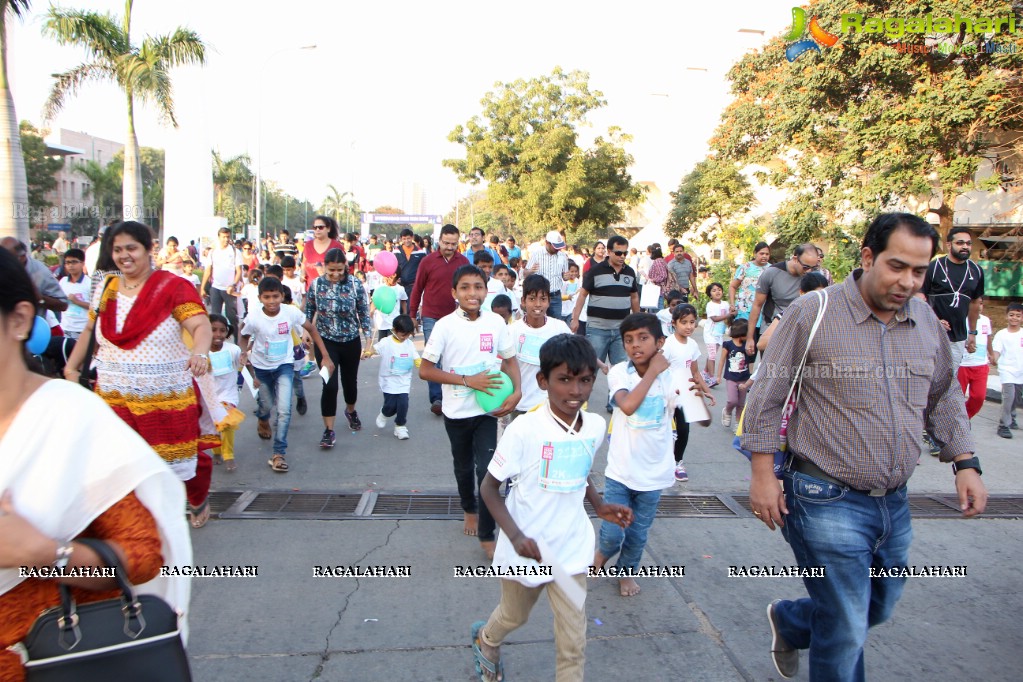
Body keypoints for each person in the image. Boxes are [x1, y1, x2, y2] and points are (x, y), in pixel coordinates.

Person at [743, 212, 986, 681]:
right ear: (868, 257)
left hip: (894, 501)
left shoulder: (926, 322)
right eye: (897, 266)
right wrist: (761, 475)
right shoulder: (813, 314)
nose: (908, 282)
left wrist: (965, 461)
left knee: (876, 607)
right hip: (822, 498)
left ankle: (792, 621)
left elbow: (944, 395)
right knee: (848, 625)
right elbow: (767, 395)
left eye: (919, 271)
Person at [0, 248, 192, 681]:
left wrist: (43, 555)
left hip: (46, 661)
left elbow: (143, 558)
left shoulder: (69, 421)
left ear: (18, 320)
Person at [472, 334, 632, 682]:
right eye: (564, 379)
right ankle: (486, 639)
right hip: (526, 550)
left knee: (574, 639)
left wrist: (599, 504)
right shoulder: (523, 430)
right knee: (514, 616)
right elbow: (488, 487)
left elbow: (581, 469)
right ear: (543, 381)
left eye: (585, 380)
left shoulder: (594, 426)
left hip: (571, 551)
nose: (576, 390)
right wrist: (515, 536)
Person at [62, 220, 218, 528]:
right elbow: (90, 329)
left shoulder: (173, 286)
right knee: (121, 464)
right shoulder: (107, 286)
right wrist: (70, 367)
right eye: (117, 249)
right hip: (114, 394)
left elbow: (199, 325)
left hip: (164, 396)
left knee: (173, 464)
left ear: (149, 250)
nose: (124, 256)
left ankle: (191, 504)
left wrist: (199, 352)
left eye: (131, 248)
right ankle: (138, 527)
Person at [419, 265, 521, 558]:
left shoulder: (496, 323)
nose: (472, 293)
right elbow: (426, 371)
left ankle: (488, 535)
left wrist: (517, 392)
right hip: (456, 412)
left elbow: (510, 360)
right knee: (463, 467)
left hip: (489, 411)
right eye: (465, 287)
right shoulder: (445, 326)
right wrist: (467, 381)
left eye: (478, 286)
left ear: (486, 291)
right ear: (454, 293)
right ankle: (468, 508)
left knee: (488, 470)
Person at [593, 313, 679, 597]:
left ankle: (626, 572)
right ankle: (602, 554)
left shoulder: (673, 375)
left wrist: (699, 397)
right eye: (628, 339)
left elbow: (697, 416)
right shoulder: (620, 372)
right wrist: (653, 372)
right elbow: (627, 406)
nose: (635, 345)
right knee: (612, 532)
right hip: (621, 470)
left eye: (643, 338)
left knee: (638, 533)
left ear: (660, 343)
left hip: (654, 475)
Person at [242, 276, 332, 472]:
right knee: (266, 404)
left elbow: (312, 329)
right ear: (260, 298)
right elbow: (244, 334)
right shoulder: (254, 316)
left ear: (282, 296)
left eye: (275, 296)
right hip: (262, 367)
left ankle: (278, 453)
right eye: (267, 297)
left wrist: (324, 356)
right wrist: (243, 353)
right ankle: (262, 417)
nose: (272, 301)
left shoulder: (291, 312)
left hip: (284, 365)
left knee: (284, 409)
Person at [303, 248, 371, 447]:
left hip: (350, 341)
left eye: (339, 270)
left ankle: (350, 411)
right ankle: (329, 430)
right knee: (329, 385)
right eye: (331, 270)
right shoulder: (316, 285)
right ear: (324, 267)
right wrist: (306, 332)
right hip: (325, 342)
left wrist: (368, 340)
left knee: (350, 383)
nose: (335, 275)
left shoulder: (354, 284)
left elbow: (363, 313)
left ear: (346, 268)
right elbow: (308, 311)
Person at [570, 235, 640, 410]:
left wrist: (638, 322)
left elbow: (634, 298)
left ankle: (614, 402)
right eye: (618, 252)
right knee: (589, 367)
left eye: (625, 253)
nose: (622, 256)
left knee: (620, 369)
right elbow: (583, 295)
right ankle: (580, 401)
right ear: (609, 252)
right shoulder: (595, 271)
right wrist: (575, 318)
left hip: (621, 331)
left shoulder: (630, 273)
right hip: (597, 329)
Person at [410, 224, 471, 415]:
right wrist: (413, 315)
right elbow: (417, 288)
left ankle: (452, 393)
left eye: (453, 243)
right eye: (446, 243)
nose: (450, 247)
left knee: (453, 355)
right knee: (433, 357)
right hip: (431, 316)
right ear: (440, 241)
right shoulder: (427, 262)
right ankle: (437, 398)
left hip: (457, 317)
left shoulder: (463, 262)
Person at [662, 304, 715, 483]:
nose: (689, 326)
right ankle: (663, 461)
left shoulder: (692, 345)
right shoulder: (668, 344)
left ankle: (678, 462)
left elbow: (695, 372)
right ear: (674, 323)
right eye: (684, 322)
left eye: (692, 322)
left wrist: (706, 392)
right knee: (667, 430)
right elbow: (658, 370)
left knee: (684, 430)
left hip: (686, 393)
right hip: (668, 395)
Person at [922, 227, 984, 369]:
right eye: (960, 243)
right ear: (949, 245)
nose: (965, 247)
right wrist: (934, 320)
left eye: (968, 243)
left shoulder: (976, 271)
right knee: (928, 377)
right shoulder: (934, 267)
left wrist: (972, 333)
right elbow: (919, 298)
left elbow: (975, 303)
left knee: (949, 379)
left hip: (958, 337)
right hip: (932, 333)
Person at [509, 275, 571, 414]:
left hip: (550, 406)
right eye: (532, 299)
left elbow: (577, 353)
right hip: (520, 405)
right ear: (523, 301)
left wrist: (601, 365)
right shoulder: (512, 331)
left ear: (549, 301)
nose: (538, 304)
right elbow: (504, 366)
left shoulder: (559, 328)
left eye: (543, 299)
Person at [745, 243, 820, 357]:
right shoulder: (772, 273)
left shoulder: (814, 276)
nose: (809, 271)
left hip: (799, 332)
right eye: (805, 267)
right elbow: (757, 305)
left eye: (813, 267)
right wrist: (750, 337)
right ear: (795, 259)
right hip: (772, 329)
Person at [366, 314, 420, 440]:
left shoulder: (409, 344)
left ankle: (400, 426)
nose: (405, 338)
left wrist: (420, 364)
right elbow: (375, 349)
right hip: (388, 381)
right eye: (403, 335)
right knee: (390, 406)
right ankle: (384, 413)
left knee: (403, 404)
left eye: (408, 335)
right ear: (394, 330)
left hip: (403, 381)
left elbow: (416, 357)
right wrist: (368, 352)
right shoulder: (386, 342)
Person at [208, 314, 246, 472]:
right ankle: (216, 451)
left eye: (222, 331)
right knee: (214, 425)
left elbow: (244, 364)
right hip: (208, 396)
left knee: (227, 424)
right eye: (213, 330)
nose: (218, 334)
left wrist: (252, 376)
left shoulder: (233, 350)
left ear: (227, 333)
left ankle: (228, 454)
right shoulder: (199, 352)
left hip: (228, 395)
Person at [0, 238, 68, 315]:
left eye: (8, 260)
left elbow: (63, 305)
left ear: (22, 257)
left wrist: (38, 298)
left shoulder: (41, 272)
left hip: (31, 324)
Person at [200, 227, 243, 343]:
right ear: (219, 237)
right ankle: (213, 341)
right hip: (215, 288)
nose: (226, 239)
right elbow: (208, 270)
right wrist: (203, 287)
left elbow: (239, 271)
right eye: (223, 237)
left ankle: (236, 341)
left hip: (229, 289)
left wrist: (233, 284)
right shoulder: (213, 252)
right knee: (214, 316)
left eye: (228, 237)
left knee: (232, 316)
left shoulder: (235, 252)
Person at [716, 318, 755, 431]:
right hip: (731, 377)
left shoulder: (747, 345)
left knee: (741, 403)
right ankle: (727, 411)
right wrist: (718, 376)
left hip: (744, 378)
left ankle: (738, 424)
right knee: (733, 400)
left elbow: (751, 358)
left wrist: (750, 351)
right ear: (742, 333)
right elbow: (722, 360)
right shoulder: (727, 345)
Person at [990, 302, 1023, 439]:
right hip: (1007, 371)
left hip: (1020, 371)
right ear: (1006, 316)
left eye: (1018, 315)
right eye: (1011, 315)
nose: (1014, 318)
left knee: (1017, 398)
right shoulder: (1001, 334)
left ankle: (1012, 416)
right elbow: (996, 351)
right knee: (1008, 398)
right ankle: (1003, 426)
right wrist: (993, 359)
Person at [957, 299, 992, 420]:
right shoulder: (960, 319)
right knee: (956, 397)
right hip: (962, 365)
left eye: (981, 303)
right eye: (975, 303)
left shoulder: (986, 320)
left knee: (978, 397)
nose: (979, 306)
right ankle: (955, 422)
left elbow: (988, 338)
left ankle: (964, 419)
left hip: (980, 365)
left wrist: (991, 353)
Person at [525, 231, 571, 319]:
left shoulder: (563, 256)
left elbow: (564, 276)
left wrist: (566, 277)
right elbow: (525, 273)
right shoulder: (536, 254)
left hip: (555, 296)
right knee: (537, 320)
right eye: (555, 247)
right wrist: (530, 271)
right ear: (547, 243)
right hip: (539, 295)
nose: (557, 249)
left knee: (556, 323)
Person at [729, 241, 772, 321]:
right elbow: (733, 286)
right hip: (744, 309)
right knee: (743, 332)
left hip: (762, 310)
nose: (764, 256)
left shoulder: (772, 269)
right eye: (761, 253)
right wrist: (732, 304)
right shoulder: (745, 267)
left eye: (767, 254)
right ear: (755, 254)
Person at [58, 248, 90, 340]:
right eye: (67, 263)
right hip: (65, 328)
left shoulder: (89, 283)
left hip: (83, 329)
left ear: (83, 263)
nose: (70, 265)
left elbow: (96, 307)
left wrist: (77, 302)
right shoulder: (63, 282)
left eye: (74, 262)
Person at [703, 282, 729, 386]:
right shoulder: (710, 305)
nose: (717, 292)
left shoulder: (725, 304)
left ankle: (705, 372)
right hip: (710, 334)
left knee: (711, 355)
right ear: (710, 295)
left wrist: (732, 313)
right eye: (714, 290)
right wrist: (728, 315)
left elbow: (729, 316)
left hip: (718, 334)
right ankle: (711, 378)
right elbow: (714, 318)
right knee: (712, 355)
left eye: (719, 289)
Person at [371, 272, 408, 339]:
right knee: (382, 342)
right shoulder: (379, 287)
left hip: (394, 321)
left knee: (392, 342)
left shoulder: (400, 289)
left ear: (396, 277)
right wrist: (372, 310)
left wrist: (405, 313)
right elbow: (374, 300)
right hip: (381, 321)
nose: (388, 279)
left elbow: (403, 300)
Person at [395, 228, 426, 300]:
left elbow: (424, 268)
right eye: (404, 239)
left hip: (413, 286)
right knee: (400, 308)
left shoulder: (420, 252)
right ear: (401, 239)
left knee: (411, 308)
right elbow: (393, 267)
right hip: (400, 286)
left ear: (412, 237)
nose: (406, 241)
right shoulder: (396, 251)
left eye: (408, 238)